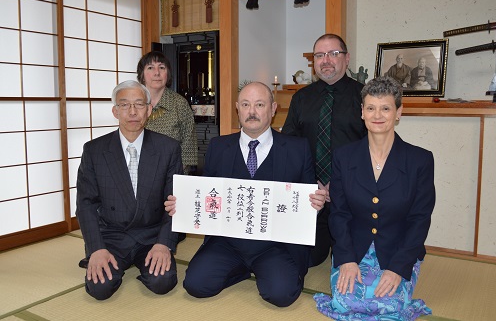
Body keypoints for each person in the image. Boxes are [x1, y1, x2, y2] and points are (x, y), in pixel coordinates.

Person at [165, 82, 326, 307]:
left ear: (273, 109)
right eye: (246, 104)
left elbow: (306, 203)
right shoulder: (218, 147)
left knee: (281, 295)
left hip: (275, 245)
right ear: (237, 109)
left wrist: (315, 205)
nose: (252, 111)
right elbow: (208, 198)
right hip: (228, 242)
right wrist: (184, 206)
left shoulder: (297, 148)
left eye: (260, 104)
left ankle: (262, 270)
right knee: (196, 285)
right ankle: (244, 269)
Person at [313, 76, 435, 320]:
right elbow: (339, 213)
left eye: (386, 108)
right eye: (371, 108)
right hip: (354, 248)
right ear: (362, 112)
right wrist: (346, 259)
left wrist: (398, 268)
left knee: (390, 306)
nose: (377, 115)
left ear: (398, 112)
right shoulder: (344, 157)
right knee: (346, 302)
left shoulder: (420, 160)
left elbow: (420, 219)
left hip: (397, 250)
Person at [76, 80, 183, 300]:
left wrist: (164, 244)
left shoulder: (168, 148)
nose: (132, 112)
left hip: (151, 235)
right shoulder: (94, 150)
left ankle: (146, 262)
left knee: (162, 282)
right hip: (111, 236)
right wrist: (96, 248)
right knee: (100, 289)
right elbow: (86, 205)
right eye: (124, 105)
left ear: (149, 109)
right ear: (115, 111)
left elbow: (175, 203)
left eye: (139, 104)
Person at [282, 33, 367, 267]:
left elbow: (373, 147)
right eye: (319, 55)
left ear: (347, 58)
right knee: (308, 259)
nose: (326, 60)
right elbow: (288, 146)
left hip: (352, 198)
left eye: (333, 53)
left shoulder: (365, 96)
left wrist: (339, 183)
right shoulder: (301, 98)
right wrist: (312, 183)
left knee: (351, 261)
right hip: (313, 197)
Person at [137, 51, 198, 175]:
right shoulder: (134, 102)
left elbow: (189, 145)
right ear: (142, 75)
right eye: (150, 67)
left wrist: (178, 175)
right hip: (138, 172)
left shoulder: (179, 104)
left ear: (168, 74)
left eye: (161, 67)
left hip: (172, 173)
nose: (157, 73)